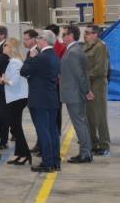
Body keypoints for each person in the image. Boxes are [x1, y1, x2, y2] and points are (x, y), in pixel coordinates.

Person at [21, 29, 62, 173]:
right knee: (52, 131)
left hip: (40, 100)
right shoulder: (54, 56)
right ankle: (55, 161)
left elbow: (23, 71)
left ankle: (47, 163)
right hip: (51, 98)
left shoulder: (40, 57)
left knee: (43, 131)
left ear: (44, 40)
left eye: (38, 38)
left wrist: (31, 58)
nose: (36, 40)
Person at [60, 25, 93, 163]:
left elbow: (80, 75)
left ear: (71, 36)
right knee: (81, 123)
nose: (62, 37)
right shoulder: (74, 50)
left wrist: (87, 91)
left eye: (64, 34)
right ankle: (86, 151)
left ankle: (85, 153)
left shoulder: (73, 52)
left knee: (79, 123)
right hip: (75, 92)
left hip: (74, 93)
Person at [0, 38, 30, 165]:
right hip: (15, 97)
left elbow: (14, 82)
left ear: (12, 47)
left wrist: (3, 80)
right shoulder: (13, 61)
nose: (3, 47)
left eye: (6, 45)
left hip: (17, 98)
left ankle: (25, 154)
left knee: (16, 128)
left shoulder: (15, 62)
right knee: (16, 127)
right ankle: (19, 153)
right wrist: (4, 80)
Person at [83, 24, 111, 156]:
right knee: (89, 116)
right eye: (85, 32)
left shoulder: (101, 47)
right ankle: (93, 143)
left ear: (95, 34)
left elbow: (101, 69)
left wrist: (84, 77)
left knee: (100, 116)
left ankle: (104, 145)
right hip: (88, 84)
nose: (85, 35)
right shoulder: (86, 46)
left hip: (98, 84)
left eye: (87, 33)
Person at [23, 28, 42, 156]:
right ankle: (39, 144)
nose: (24, 41)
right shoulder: (29, 52)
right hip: (32, 90)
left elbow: (27, 70)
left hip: (39, 92)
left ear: (34, 39)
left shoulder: (38, 52)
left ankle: (43, 147)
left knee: (41, 122)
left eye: (26, 39)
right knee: (37, 122)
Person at [45, 24, 65, 136]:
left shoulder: (61, 47)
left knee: (56, 108)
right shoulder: (43, 46)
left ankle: (57, 131)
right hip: (45, 83)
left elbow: (61, 66)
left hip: (56, 83)